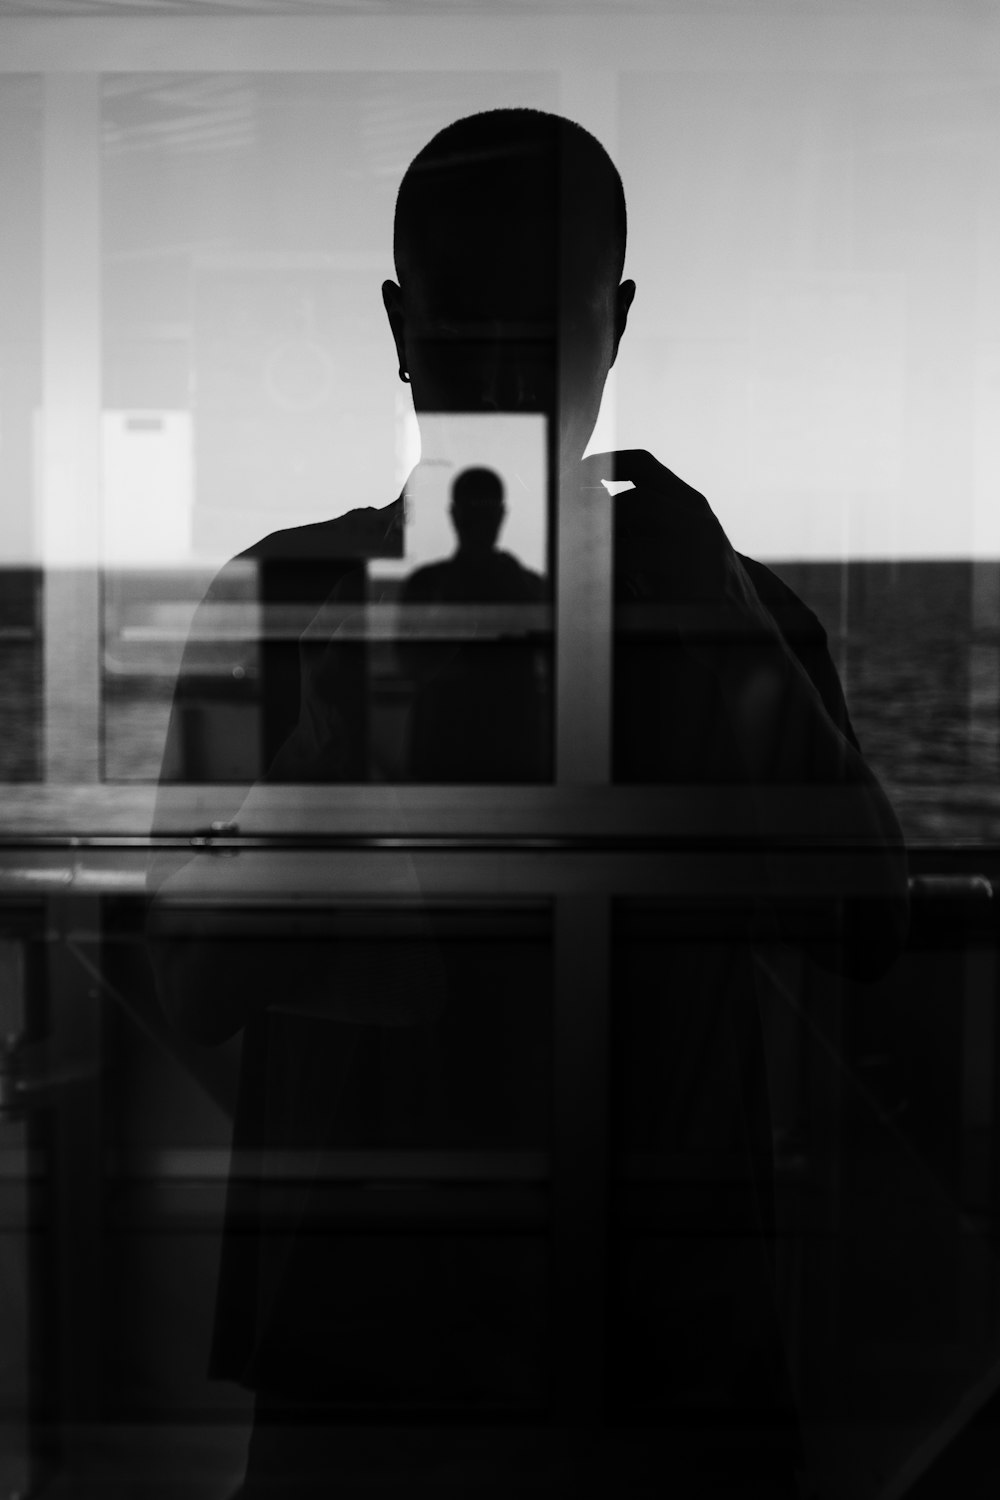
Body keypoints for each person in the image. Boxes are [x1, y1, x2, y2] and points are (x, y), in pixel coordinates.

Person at [147, 108, 910, 1497]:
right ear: (615, 322)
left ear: (392, 321)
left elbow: (191, 974)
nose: (498, 378)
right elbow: (870, 916)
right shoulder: (717, 608)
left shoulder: (282, 599)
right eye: (469, 336)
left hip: (394, 1355)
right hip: (642, 1359)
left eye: (523, 334)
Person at [399, 465, 548, 781]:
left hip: (445, 743)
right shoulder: (524, 584)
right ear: (502, 516)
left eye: (483, 512)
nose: (480, 523)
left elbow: (410, 663)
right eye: (476, 512)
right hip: (509, 747)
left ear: (453, 515)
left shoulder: (427, 585)